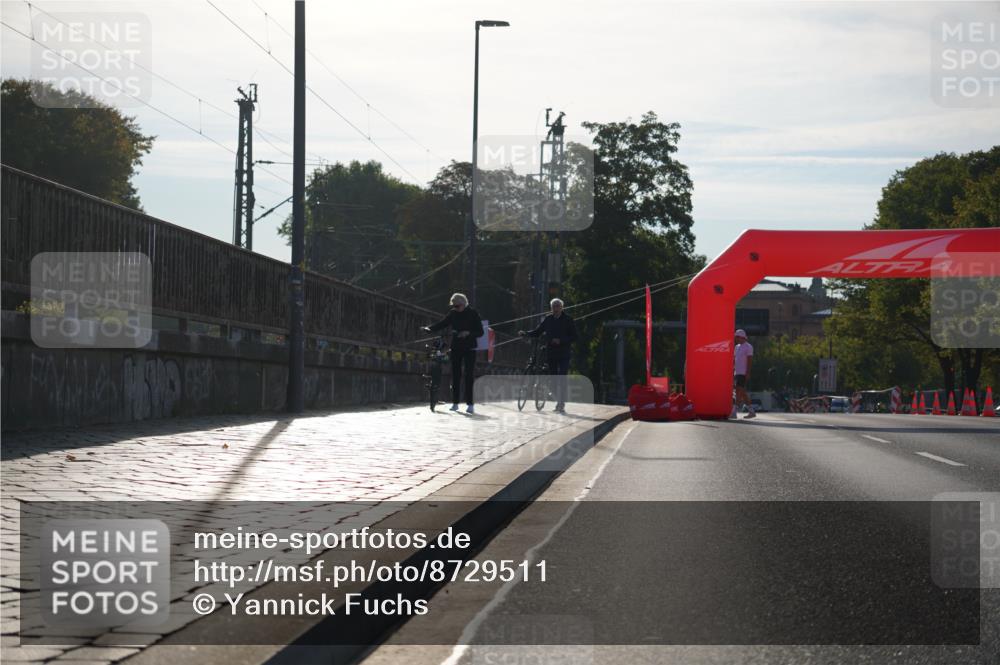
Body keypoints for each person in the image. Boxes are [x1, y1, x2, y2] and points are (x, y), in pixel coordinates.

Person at [422, 293, 484, 414]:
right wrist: (429, 328)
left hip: (470, 348)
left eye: (457, 306)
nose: (455, 308)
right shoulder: (453, 313)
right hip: (456, 347)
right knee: (455, 375)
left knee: (469, 375)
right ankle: (455, 403)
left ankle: (470, 404)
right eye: (454, 306)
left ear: (464, 304)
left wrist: (468, 333)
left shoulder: (473, 313)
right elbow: (443, 323)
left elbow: (480, 332)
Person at [519, 298, 577, 412]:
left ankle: (561, 403)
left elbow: (575, 336)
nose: (555, 309)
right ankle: (559, 401)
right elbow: (538, 331)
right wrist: (526, 333)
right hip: (551, 353)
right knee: (554, 380)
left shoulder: (568, 320)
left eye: (558, 306)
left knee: (562, 377)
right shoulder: (548, 319)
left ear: (562, 307)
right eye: (553, 306)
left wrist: (561, 340)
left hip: (564, 353)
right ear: (551, 308)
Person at [733, 328, 755, 419]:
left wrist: (748, 372)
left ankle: (734, 411)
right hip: (737, 372)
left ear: (741, 337)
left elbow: (749, 360)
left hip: (743, 372)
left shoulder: (748, 347)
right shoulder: (736, 347)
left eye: (737, 337)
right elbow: (734, 360)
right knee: (741, 392)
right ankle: (751, 411)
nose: (736, 339)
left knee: (739, 391)